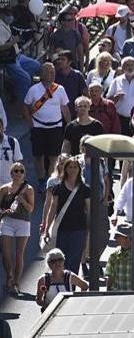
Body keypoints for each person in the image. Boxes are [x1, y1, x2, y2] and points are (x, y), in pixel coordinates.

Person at [41, 155, 90, 274]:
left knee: (74, 261)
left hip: (78, 229)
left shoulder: (85, 189)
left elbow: (89, 210)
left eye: (75, 167)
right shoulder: (58, 188)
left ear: (79, 169)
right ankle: (61, 287)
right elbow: (52, 209)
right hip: (61, 229)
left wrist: (90, 230)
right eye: (70, 167)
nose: (72, 170)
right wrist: (46, 228)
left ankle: (71, 289)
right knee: (60, 262)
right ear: (65, 169)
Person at [26, 61, 72, 184]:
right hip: (38, 127)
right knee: (38, 156)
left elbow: (65, 108)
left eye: (53, 72)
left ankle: (50, 180)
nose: (51, 74)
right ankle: (41, 180)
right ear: (42, 74)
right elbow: (25, 106)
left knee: (54, 156)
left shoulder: (60, 89)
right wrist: (30, 123)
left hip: (55, 127)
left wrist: (70, 125)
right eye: (48, 72)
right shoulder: (34, 90)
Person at [0, 162, 34, 294]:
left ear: (24, 174)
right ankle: (9, 274)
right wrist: (4, 211)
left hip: (23, 222)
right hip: (7, 221)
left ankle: (16, 282)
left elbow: (31, 208)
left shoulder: (29, 189)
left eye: (21, 171)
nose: (18, 173)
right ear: (11, 173)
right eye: (16, 171)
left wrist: (23, 201)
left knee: (19, 254)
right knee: (6, 252)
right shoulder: (4, 188)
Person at [105, 221, 134, 291]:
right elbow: (110, 279)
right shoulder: (113, 256)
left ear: (128, 238)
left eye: (117, 236)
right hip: (116, 296)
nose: (114, 238)